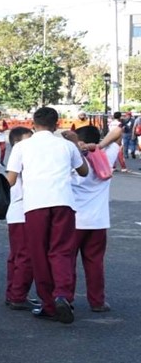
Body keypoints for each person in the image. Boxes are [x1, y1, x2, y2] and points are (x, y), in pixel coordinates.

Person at [5, 107, 89, 324]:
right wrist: (75, 144)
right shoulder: (66, 145)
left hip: (34, 204)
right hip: (63, 201)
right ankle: (63, 294)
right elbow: (84, 171)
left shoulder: (22, 146)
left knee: (39, 254)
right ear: (57, 124)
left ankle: (49, 304)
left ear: (33, 123)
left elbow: (11, 179)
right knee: (62, 251)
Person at [70, 124, 122, 312]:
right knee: (94, 262)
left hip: (74, 220)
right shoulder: (105, 157)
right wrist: (99, 146)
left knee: (67, 262)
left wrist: (83, 147)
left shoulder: (72, 160)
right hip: (98, 220)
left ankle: (66, 298)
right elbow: (118, 132)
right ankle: (97, 301)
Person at [3, 127, 38, 310]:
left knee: (17, 256)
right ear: (17, 144)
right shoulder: (22, 161)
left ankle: (13, 293)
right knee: (25, 256)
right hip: (22, 212)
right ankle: (17, 295)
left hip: (17, 213)